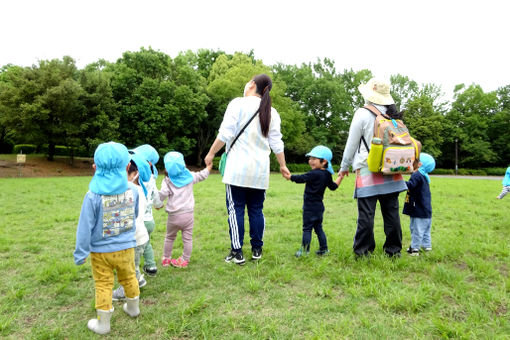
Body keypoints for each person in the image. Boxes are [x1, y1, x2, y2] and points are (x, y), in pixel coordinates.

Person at [204, 74, 290, 265]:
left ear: (252, 85)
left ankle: (237, 251)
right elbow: (277, 143)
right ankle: (257, 249)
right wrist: (282, 165)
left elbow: (225, 133)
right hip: (260, 172)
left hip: (237, 170)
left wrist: (210, 154)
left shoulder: (238, 103)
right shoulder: (272, 112)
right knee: (256, 210)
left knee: (236, 210)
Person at [73, 142, 141, 335]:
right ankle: (134, 308)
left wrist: (81, 253)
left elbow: (84, 228)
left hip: (100, 252)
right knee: (129, 277)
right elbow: (134, 215)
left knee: (103, 284)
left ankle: (103, 324)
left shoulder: (92, 196)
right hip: (127, 247)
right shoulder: (133, 191)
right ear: (128, 167)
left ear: (94, 167)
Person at [338, 78, 409, 258]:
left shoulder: (362, 113)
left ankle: (363, 251)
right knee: (391, 214)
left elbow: (352, 143)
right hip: (391, 169)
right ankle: (393, 251)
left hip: (368, 168)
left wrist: (344, 166)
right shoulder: (392, 114)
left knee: (366, 215)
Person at [283, 145, 342, 257]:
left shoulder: (313, 173)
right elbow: (333, 186)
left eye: (314, 159)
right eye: (310, 158)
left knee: (307, 229)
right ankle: (324, 250)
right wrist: (341, 177)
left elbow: (301, 178)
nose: (310, 161)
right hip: (319, 207)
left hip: (309, 207)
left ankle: (305, 251)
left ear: (324, 161)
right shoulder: (327, 175)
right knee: (318, 228)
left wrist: (290, 177)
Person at [157, 151, 211, 268]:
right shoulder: (190, 176)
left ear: (167, 167)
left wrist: (157, 201)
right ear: (183, 164)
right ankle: (185, 259)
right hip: (188, 215)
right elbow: (201, 175)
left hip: (173, 216)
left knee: (169, 237)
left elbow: (162, 194)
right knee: (187, 238)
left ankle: (166, 258)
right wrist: (208, 168)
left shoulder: (167, 181)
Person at [112, 153, 151, 300]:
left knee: (126, 268)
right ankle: (139, 279)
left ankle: (125, 290)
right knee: (132, 264)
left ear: (135, 174)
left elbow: (134, 218)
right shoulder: (135, 190)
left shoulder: (135, 193)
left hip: (133, 238)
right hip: (138, 237)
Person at [131, 144, 163, 277]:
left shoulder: (136, 178)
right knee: (146, 242)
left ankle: (135, 273)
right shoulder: (152, 179)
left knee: (135, 246)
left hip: (139, 220)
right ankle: (151, 266)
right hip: (149, 220)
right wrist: (158, 204)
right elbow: (156, 195)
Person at [402, 153, 435, 255]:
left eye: (414, 161)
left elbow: (411, 185)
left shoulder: (417, 175)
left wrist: (400, 181)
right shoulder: (424, 176)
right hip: (426, 210)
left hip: (418, 210)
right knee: (425, 231)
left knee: (416, 230)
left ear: (419, 164)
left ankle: (414, 249)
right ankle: (427, 247)